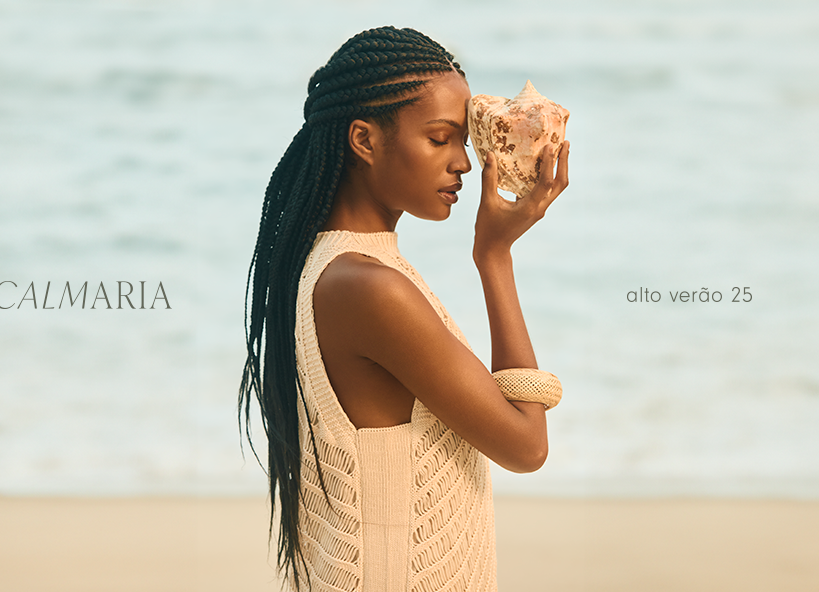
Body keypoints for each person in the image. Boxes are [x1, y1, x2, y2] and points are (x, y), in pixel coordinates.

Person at [239, 25, 570, 592]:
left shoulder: (336, 268)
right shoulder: (368, 286)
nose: (464, 163)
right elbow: (526, 445)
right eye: (440, 138)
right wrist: (494, 257)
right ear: (365, 141)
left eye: (463, 140)